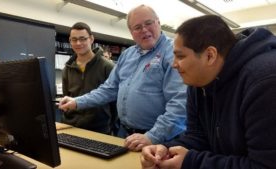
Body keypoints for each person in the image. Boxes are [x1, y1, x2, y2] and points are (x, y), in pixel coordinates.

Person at [140, 15, 276, 169]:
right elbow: (198, 137)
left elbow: (266, 165)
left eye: (180, 56)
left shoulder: (265, 82)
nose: (174, 64)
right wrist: (166, 150)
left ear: (210, 55)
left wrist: (192, 162)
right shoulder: (198, 83)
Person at [59, 4, 187, 151]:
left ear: (158, 22)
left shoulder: (173, 52)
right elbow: (109, 89)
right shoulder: (128, 54)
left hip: (161, 140)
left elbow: (180, 103)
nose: (144, 30)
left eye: (148, 23)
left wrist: (152, 136)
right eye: (137, 27)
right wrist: (77, 102)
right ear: (131, 32)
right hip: (126, 135)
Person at [61, 22, 115, 134]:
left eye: (82, 39)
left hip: (99, 130)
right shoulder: (67, 68)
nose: (78, 43)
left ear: (91, 39)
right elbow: (66, 98)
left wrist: (113, 129)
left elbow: (115, 103)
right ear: (70, 41)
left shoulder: (107, 67)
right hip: (71, 128)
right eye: (74, 39)